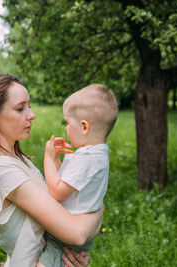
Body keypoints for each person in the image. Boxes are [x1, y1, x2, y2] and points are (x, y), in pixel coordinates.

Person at [0, 73, 105, 267]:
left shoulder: (16, 159)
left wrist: (71, 256)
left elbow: (60, 214)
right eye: (20, 108)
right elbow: (77, 234)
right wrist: (99, 210)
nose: (31, 114)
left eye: (29, 106)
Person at [38, 84, 118, 267]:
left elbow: (57, 192)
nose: (66, 128)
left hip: (64, 239)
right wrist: (57, 160)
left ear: (84, 127)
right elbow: (63, 182)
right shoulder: (95, 153)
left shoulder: (87, 158)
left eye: (67, 123)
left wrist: (49, 158)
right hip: (70, 230)